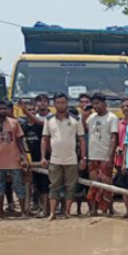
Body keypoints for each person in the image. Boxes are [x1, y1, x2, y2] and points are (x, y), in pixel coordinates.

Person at [41, 93, 87, 221]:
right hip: (55, 160)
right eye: (58, 103)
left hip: (71, 160)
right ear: (54, 104)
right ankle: (52, 213)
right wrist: (43, 157)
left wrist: (83, 158)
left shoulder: (76, 120)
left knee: (70, 187)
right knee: (54, 186)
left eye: (63, 102)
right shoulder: (48, 120)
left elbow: (82, 140)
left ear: (67, 103)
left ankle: (67, 212)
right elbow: (44, 139)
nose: (61, 105)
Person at [0, 100, 29, 219]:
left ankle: (23, 212)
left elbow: (20, 142)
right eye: (0, 109)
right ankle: (0, 212)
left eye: (4, 109)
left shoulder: (14, 123)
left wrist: (24, 158)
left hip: (14, 160)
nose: (2, 111)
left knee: (18, 186)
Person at [85, 92, 119, 217]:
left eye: (97, 103)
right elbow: (84, 126)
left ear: (105, 103)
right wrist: (85, 111)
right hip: (93, 156)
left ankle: (108, 210)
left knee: (107, 185)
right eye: (93, 104)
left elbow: (113, 138)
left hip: (105, 157)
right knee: (93, 184)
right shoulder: (92, 117)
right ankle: (93, 210)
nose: (95, 106)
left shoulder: (112, 118)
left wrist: (109, 157)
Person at [19, 100, 50, 218]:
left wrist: (24, 110)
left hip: (44, 159)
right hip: (32, 160)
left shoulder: (41, 124)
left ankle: (46, 210)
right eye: (28, 109)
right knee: (37, 185)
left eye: (32, 110)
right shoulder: (24, 126)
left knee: (45, 185)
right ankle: (42, 208)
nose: (30, 112)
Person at [114, 97, 128, 218]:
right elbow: (115, 140)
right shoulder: (118, 124)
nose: (125, 108)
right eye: (123, 106)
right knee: (124, 188)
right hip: (120, 161)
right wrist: (117, 147)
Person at [74, 93, 93, 215]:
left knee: (92, 185)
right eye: (82, 102)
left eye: (87, 102)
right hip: (79, 156)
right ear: (79, 104)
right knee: (78, 184)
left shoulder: (96, 117)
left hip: (94, 156)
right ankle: (79, 209)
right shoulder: (76, 119)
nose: (85, 104)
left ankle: (92, 209)